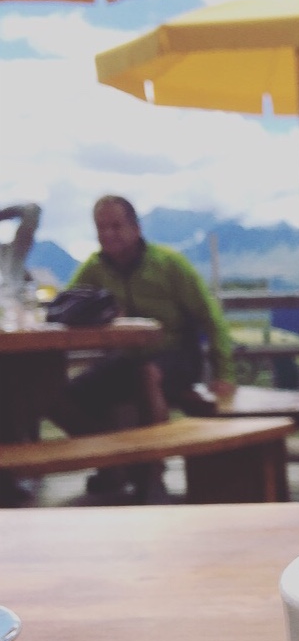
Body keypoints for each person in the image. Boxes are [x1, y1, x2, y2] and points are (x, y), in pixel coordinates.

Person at [50, 195, 237, 497]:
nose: (108, 234)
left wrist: (224, 373)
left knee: (148, 375)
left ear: (136, 228)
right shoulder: (94, 269)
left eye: (116, 225)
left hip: (178, 356)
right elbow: (66, 306)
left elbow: (210, 316)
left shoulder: (169, 264)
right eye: (101, 227)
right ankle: (113, 461)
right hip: (124, 359)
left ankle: (151, 474)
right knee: (58, 398)